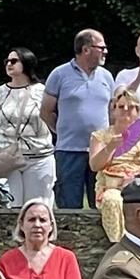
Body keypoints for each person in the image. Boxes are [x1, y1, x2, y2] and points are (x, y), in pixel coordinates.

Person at [42, 29, 114, 210]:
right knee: (68, 206)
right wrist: (62, 132)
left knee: (101, 205)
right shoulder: (59, 74)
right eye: (101, 47)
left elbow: (112, 113)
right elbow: (46, 111)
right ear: (86, 49)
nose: (105, 51)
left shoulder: (106, 76)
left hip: (100, 152)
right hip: (69, 151)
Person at [90, 88, 140, 241]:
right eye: (121, 107)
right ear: (113, 110)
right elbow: (94, 166)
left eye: (130, 107)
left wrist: (136, 177)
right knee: (112, 200)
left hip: (139, 183)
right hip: (111, 185)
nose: (125, 111)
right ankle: (120, 243)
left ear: (138, 111)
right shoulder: (101, 136)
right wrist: (110, 147)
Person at [0, 47, 56, 207]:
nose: (9, 64)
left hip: (38, 156)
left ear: (26, 63)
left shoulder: (43, 91)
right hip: (6, 156)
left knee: (38, 207)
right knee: (9, 207)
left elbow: (52, 117)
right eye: (7, 61)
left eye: (14, 61)